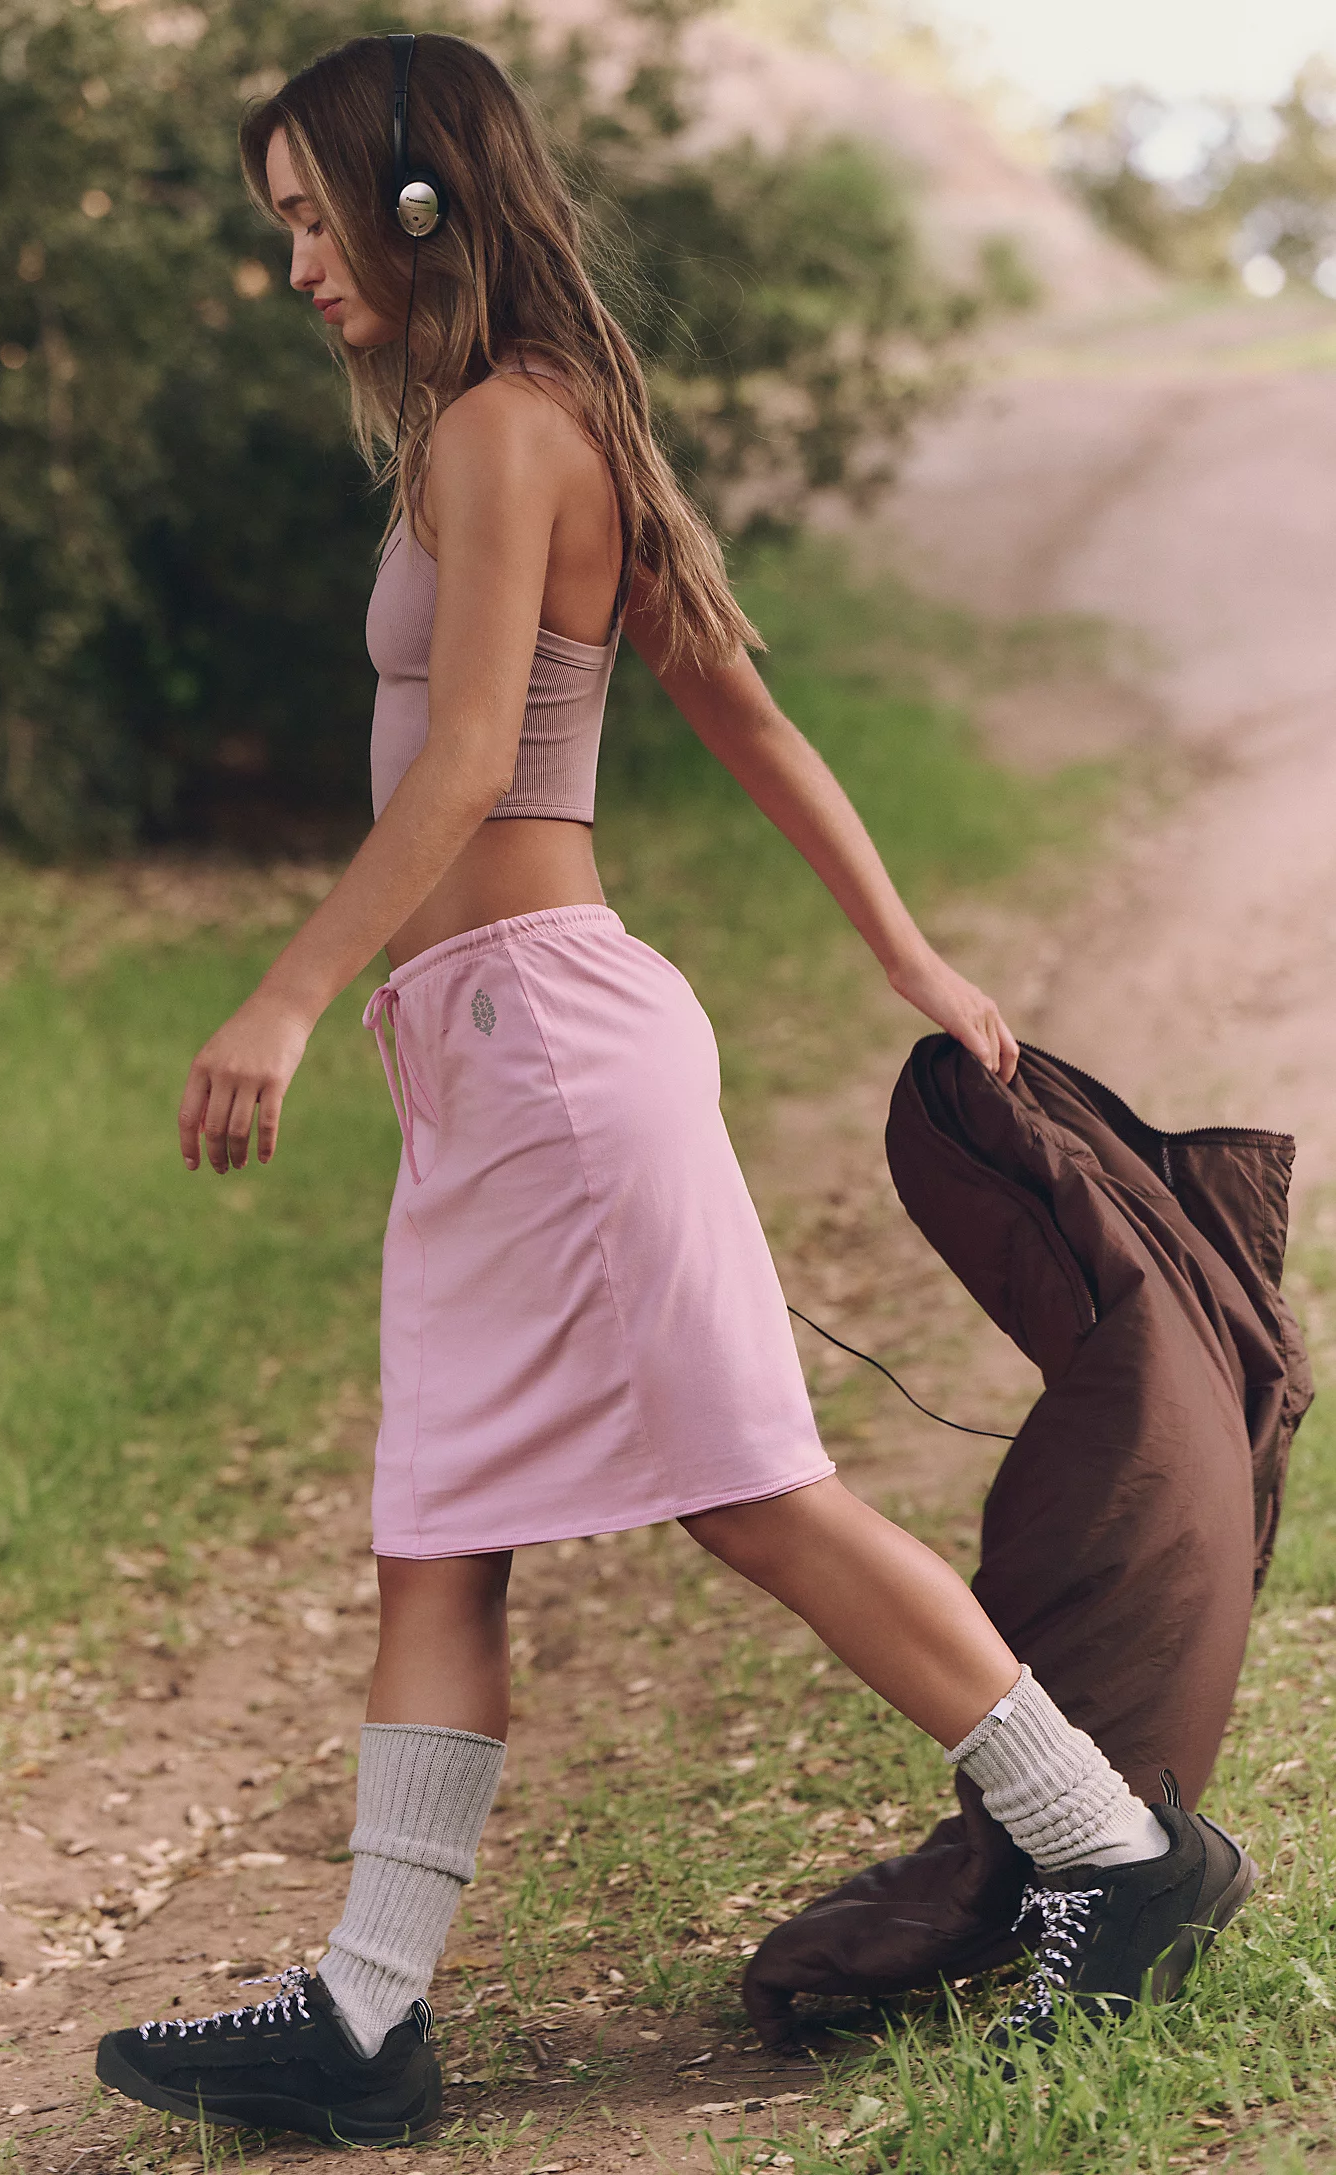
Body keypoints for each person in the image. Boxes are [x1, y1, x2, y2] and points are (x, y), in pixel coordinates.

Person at [95, 32, 1256, 2148]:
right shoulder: (527, 424)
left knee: (744, 1486)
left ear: (420, 203)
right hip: (491, 1058)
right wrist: (903, 948)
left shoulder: (503, 429)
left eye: (312, 220)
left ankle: (1110, 1849)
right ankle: (366, 2014)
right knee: (437, 1532)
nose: (298, 266)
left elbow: (476, 762)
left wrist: (281, 993)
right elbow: (743, 711)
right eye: (282, 229)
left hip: (548, 1045)